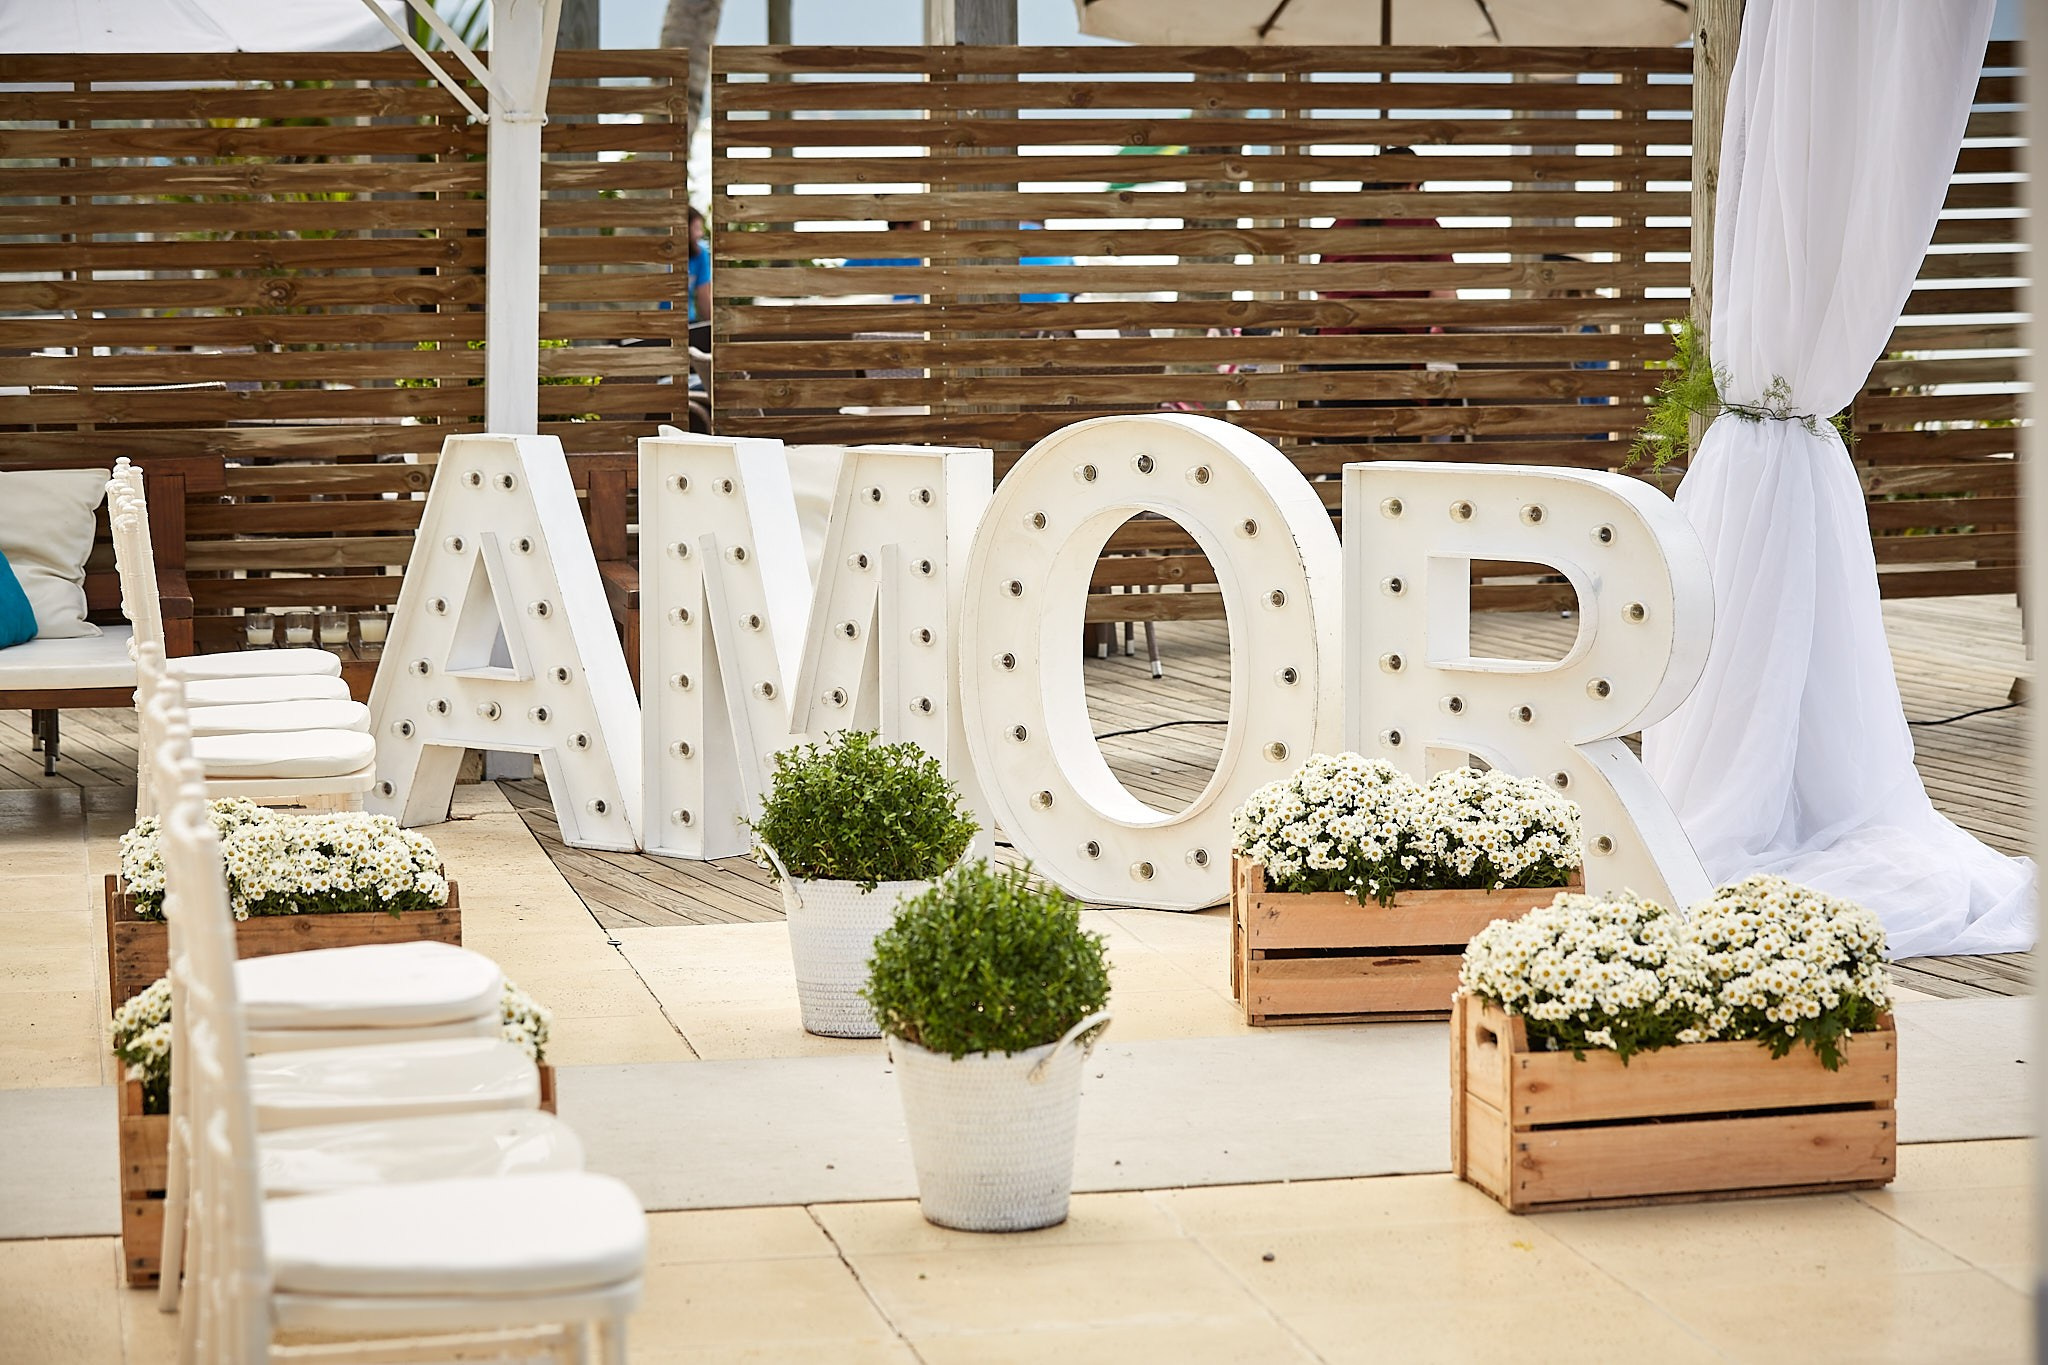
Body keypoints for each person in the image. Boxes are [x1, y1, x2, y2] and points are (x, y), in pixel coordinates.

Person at [1312, 146, 1453, 443]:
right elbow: (1446, 302)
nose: (1416, 192)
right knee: (1395, 456)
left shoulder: (1341, 226)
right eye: (1414, 184)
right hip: (1396, 352)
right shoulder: (1424, 226)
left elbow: (1323, 300)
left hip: (1338, 358)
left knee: (1341, 452)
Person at [686, 207, 712, 350]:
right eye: (696, 228)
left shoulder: (700, 254)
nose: (700, 233)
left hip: (688, 323)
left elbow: (704, 298)